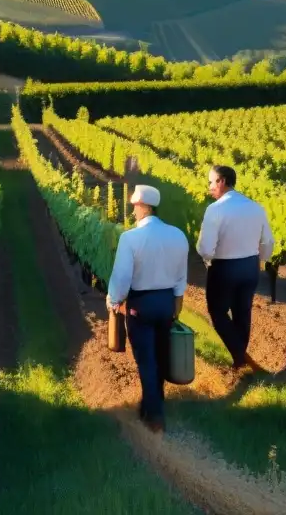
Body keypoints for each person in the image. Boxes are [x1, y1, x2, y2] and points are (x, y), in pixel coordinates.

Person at [106, 184, 189, 433]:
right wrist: (177, 302)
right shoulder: (177, 235)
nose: (133, 212)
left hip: (140, 305)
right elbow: (180, 275)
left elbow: (122, 276)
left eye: (134, 206)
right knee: (161, 354)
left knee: (146, 360)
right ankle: (152, 403)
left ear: (143, 206)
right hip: (166, 303)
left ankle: (154, 417)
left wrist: (113, 301)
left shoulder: (131, 238)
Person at [196, 165, 274, 372]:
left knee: (218, 312)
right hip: (250, 267)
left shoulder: (215, 210)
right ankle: (240, 362)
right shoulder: (255, 207)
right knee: (243, 313)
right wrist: (260, 259)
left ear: (222, 182)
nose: (209, 186)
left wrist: (208, 259)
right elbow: (267, 241)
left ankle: (242, 358)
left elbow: (205, 248)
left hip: (224, 268)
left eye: (211, 182)